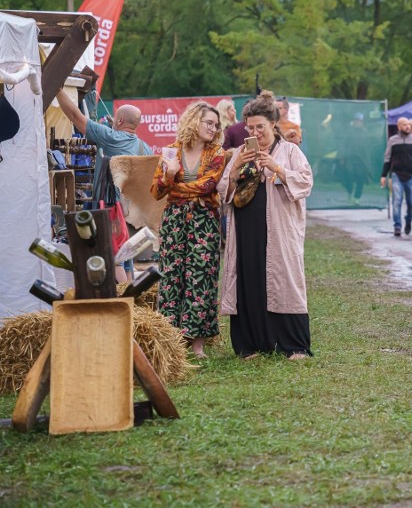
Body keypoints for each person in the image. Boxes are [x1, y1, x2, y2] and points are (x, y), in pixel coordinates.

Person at [217, 90, 314, 359]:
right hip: (246, 226)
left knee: (284, 279)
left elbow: (305, 182)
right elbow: (223, 190)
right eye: (250, 127)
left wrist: (277, 168)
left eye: (260, 126)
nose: (256, 132)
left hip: (280, 228)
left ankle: (294, 345)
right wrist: (235, 169)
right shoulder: (239, 152)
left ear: (273, 124)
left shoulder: (289, 150)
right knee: (249, 277)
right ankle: (249, 345)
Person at [151, 102, 226, 359]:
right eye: (209, 123)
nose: (214, 129)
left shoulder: (217, 152)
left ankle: (197, 344)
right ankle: (172, 339)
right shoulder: (170, 152)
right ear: (194, 121)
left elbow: (208, 186)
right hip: (174, 221)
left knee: (201, 277)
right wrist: (167, 177)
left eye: (216, 125)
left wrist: (175, 184)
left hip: (204, 220)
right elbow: (156, 192)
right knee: (172, 276)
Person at [55, 88, 152, 283]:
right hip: (131, 212)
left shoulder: (112, 138)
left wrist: (58, 90)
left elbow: (75, 116)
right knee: (126, 256)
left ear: (120, 121)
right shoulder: (144, 147)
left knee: (115, 257)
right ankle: (134, 301)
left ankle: (125, 299)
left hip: (110, 209)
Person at [381, 117, 412, 236]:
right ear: (399, 127)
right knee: (397, 201)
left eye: (409, 125)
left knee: (411, 202)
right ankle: (397, 225)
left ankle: (408, 219)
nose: (408, 127)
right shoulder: (393, 140)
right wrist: (384, 175)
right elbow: (387, 158)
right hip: (397, 175)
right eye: (404, 125)